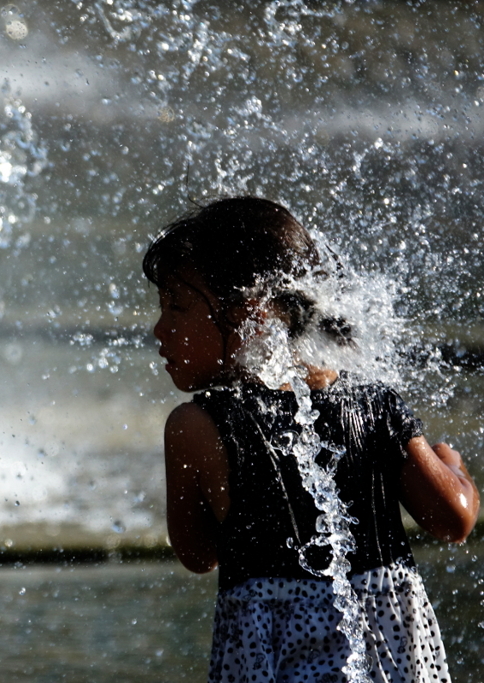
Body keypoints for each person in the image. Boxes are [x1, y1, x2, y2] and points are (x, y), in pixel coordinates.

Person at [142, 196, 479, 682]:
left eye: (177, 306)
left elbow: (198, 555)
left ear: (253, 310)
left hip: (267, 658)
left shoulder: (196, 427)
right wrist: (453, 463)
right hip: (389, 656)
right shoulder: (374, 403)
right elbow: (454, 520)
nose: (160, 329)